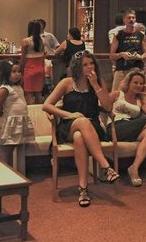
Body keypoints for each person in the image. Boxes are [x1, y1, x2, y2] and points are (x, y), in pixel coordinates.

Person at [42, 51, 120, 207]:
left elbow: (107, 107)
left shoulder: (98, 82)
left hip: (93, 127)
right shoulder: (67, 83)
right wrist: (70, 115)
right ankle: (106, 166)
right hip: (69, 125)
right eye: (85, 65)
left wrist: (96, 85)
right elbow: (46, 105)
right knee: (81, 123)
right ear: (77, 67)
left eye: (91, 64)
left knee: (79, 137)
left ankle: (83, 188)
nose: (90, 67)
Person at [0, 60, 35, 168]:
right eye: (14, 72)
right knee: (6, 150)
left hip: (18, 122)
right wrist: (4, 116)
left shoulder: (18, 87)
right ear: (6, 73)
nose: (17, 74)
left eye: (19, 71)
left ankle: (11, 170)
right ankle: (2, 171)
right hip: (10, 123)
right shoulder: (5, 89)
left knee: (12, 149)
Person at [110, 10, 146, 90]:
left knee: (138, 93)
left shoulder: (141, 35)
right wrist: (122, 54)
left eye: (133, 18)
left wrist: (140, 57)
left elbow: (145, 54)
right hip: (121, 69)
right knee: (117, 93)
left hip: (137, 69)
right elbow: (112, 55)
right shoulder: (118, 35)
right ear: (124, 20)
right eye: (129, 18)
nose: (131, 20)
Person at [21, 20, 46, 104]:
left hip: (29, 70)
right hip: (40, 69)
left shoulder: (26, 41)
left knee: (29, 95)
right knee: (39, 94)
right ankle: (39, 110)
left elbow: (23, 59)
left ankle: (30, 111)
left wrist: (21, 71)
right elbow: (43, 57)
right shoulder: (42, 41)